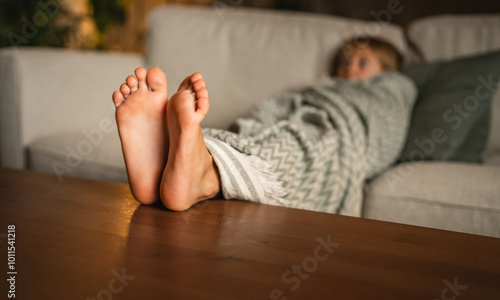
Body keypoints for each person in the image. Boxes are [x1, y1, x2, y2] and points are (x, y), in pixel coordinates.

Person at [113, 36, 415, 215]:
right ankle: (174, 163)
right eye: (345, 63)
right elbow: (268, 112)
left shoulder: (393, 87)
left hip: (335, 131)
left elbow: (384, 128)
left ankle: (205, 174)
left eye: (363, 63)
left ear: (387, 71)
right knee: (251, 136)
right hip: (289, 120)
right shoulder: (316, 90)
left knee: (300, 149)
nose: (349, 69)